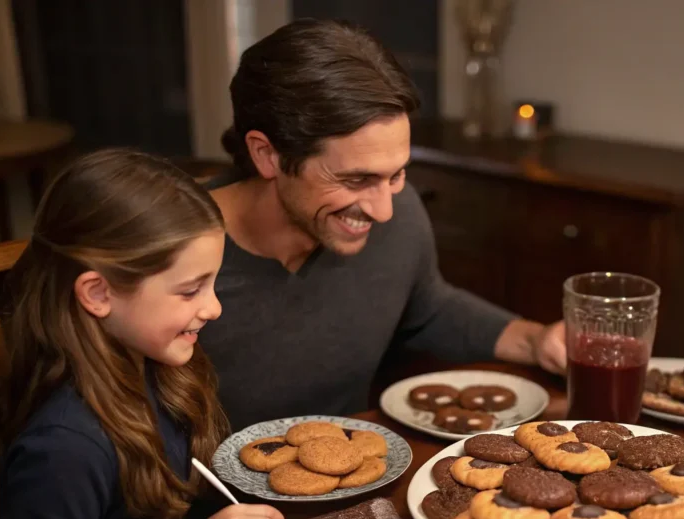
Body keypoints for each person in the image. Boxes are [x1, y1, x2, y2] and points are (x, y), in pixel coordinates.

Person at [202, 19, 566, 430]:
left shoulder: (398, 209)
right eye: (356, 179)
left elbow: (427, 309)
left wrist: (536, 341)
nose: (384, 212)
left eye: (396, 174)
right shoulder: (163, 251)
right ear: (267, 154)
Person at [0, 150, 285, 519]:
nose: (213, 307)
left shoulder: (158, 370)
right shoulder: (65, 447)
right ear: (98, 294)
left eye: (213, 283)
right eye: (190, 290)